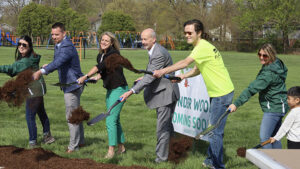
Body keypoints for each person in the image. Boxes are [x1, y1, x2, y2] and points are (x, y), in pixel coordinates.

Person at [153, 19, 234, 168]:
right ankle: (211, 159)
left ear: (199, 33)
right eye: (185, 33)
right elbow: (197, 69)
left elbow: (185, 63)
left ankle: (217, 165)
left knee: (216, 131)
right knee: (213, 128)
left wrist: (162, 71)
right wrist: (182, 76)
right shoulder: (203, 47)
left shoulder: (201, 47)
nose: (186, 35)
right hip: (219, 93)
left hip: (222, 93)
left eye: (190, 32)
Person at [120, 28, 180, 163]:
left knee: (162, 127)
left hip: (166, 94)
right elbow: (153, 73)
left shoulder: (158, 53)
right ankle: (174, 152)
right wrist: (144, 77)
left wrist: (131, 91)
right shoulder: (154, 50)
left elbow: (150, 78)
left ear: (153, 39)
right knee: (167, 126)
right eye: (141, 39)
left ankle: (161, 159)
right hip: (166, 91)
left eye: (145, 39)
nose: (142, 42)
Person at [33, 22, 85, 153]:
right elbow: (59, 62)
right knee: (76, 113)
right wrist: (48, 65)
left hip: (72, 85)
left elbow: (59, 62)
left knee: (71, 116)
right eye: (52, 34)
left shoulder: (67, 46)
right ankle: (81, 142)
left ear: (64, 33)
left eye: (57, 34)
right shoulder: (59, 45)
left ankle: (73, 147)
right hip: (71, 84)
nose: (54, 37)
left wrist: (41, 72)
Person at [77, 32, 128, 159]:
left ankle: (111, 150)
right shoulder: (100, 55)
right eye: (102, 40)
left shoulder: (113, 54)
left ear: (112, 43)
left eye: (107, 40)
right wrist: (98, 77)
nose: (104, 42)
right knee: (115, 120)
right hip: (110, 90)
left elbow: (100, 66)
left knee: (110, 119)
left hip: (120, 89)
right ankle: (121, 147)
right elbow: (104, 70)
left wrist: (86, 76)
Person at [228, 44, 288, 150]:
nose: (261, 57)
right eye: (259, 54)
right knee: (274, 138)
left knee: (265, 139)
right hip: (281, 105)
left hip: (274, 108)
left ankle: (269, 165)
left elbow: (251, 89)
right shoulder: (276, 64)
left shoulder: (268, 74)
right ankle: (279, 164)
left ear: (271, 55)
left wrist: (236, 104)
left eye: (265, 56)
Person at [0, 35, 55, 148]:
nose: (21, 47)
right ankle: (48, 137)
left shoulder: (26, 61)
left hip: (33, 90)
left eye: (24, 45)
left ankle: (33, 142)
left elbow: (12, 69)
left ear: (29, 46)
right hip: (38, 88)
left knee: (30, 116)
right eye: (19, 44)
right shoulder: (30, 57)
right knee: (41, 112)